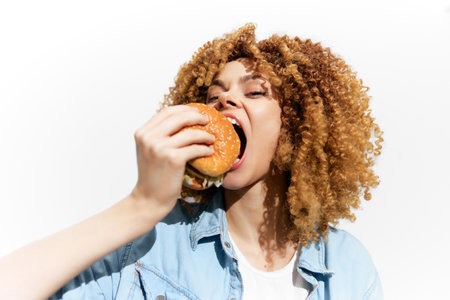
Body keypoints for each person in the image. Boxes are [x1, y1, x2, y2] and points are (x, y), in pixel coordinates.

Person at [0, 23, 384, 300]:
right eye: (214, 94)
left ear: (298, 125)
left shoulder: (348, 265)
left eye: (254, 92)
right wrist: (142, 205)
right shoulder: (149, 248)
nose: (226, 101)